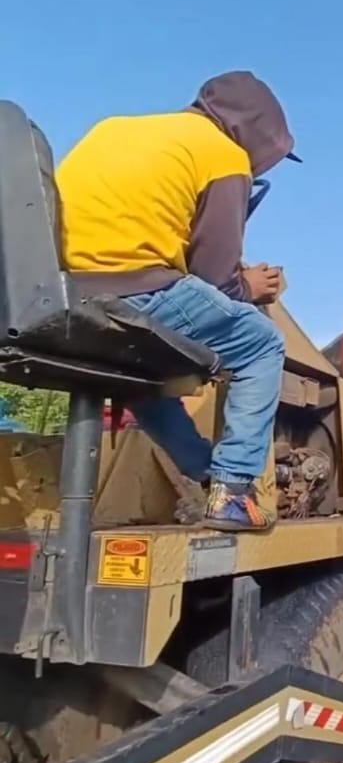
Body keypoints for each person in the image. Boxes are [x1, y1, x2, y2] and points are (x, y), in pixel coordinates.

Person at [57, 71, 296, 530]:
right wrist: (250, 286)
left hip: (64, 294)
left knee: (143, 375)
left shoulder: (113, 128)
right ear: (258, 134)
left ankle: (206, 475)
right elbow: (215, 280)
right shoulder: (225, 156)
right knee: (262, 344)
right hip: (137, 287)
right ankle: (232, 494)